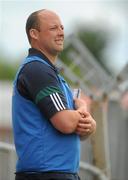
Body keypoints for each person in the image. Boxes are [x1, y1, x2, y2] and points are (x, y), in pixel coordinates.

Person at [12, 9, 96, 180]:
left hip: (57, 172)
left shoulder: (52, 74)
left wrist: (89, 124)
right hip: (45, 174)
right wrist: (84, 108)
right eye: (53, 28)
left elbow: (80, 129)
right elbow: (65, 122)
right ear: (34, 34)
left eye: (62, 28)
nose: (61, 33)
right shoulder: (37, 70)